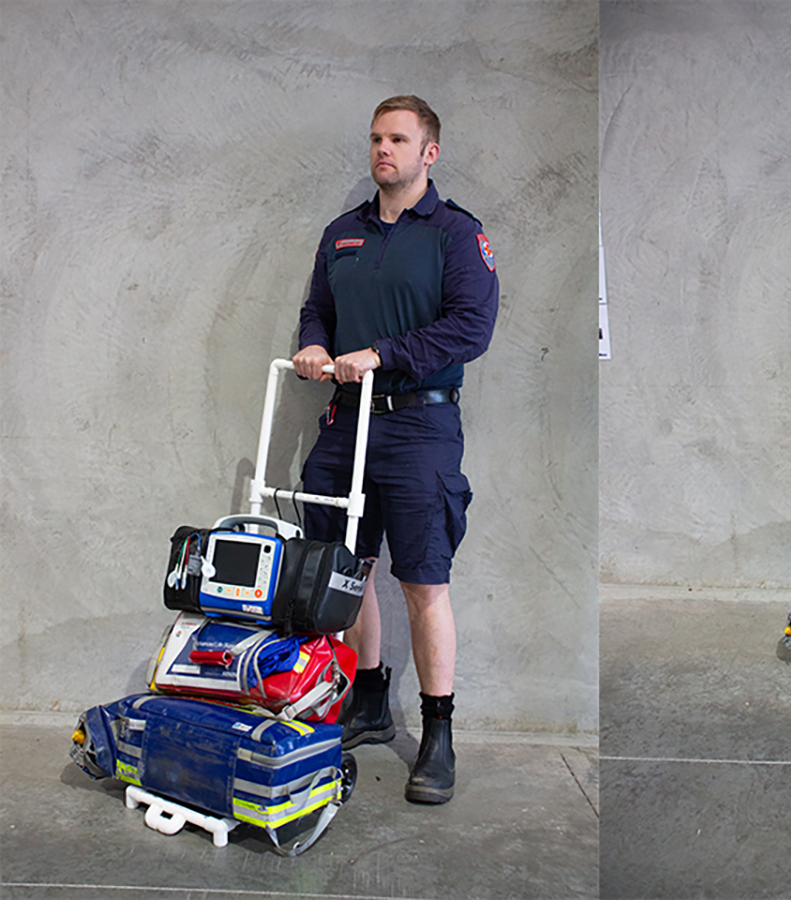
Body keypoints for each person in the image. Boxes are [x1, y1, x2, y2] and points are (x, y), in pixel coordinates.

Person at [293, 95, 498, 802]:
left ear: (428, 153)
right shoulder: (342, 233)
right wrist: (314, 345)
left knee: (423, 579)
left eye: (399, 140)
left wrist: (382, 354)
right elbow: (318, 309)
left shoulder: (455, 234)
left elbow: (470, 328)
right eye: (378, 138)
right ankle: (370, 698)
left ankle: (438, 733)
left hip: (419, 426)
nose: (384, 149)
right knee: (342, 569)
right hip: (346, 420)